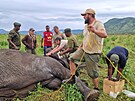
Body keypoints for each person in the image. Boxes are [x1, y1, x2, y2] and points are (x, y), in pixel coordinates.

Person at [69, 8, 107, 90]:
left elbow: (104, 35)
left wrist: (94, 30)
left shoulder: (98, 24)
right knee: (71, 58)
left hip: (93, 52)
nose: (83, 17)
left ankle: (96, 88)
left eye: (84, 15)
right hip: (84, 50)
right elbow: (85, 38)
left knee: (93, 73)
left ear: (90, 15)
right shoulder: (86, 26)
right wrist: (80, 48)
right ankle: (73, 78)